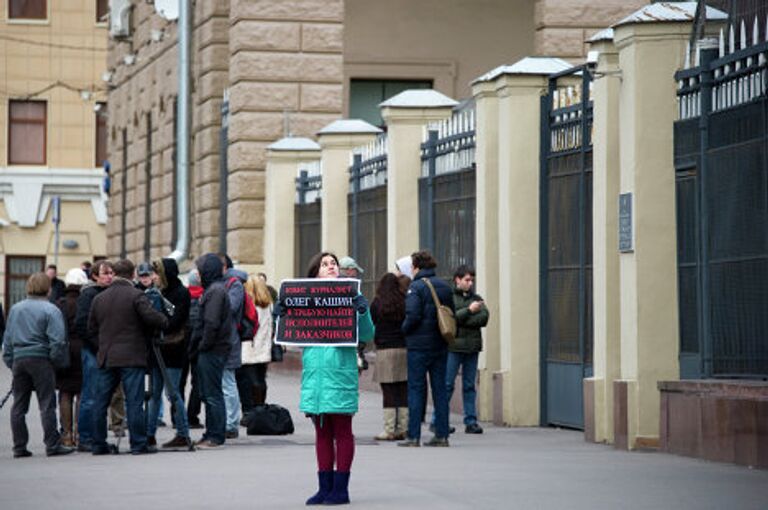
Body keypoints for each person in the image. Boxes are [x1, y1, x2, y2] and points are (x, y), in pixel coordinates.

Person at [297, 252, 374, 506]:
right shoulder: (305, 299)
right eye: (325, 264)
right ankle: (324, 488)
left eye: (334, 264)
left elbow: (367, 333)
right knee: (321, 433)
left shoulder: (350, 297)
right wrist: (282, 314)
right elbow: (291, 332)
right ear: (315, 272)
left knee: (342, 430)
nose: (331, 267)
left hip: (339, 372)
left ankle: (341, 489)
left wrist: (362, 312)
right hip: (315, 376)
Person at [88, 259, 169, 455]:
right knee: (134, 402)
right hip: (132, 356)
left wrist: (103, 346)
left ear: (114, 274)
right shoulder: (136, 296)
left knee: (100, 402)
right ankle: (138, 444)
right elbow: (154, 319)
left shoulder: (99, 299)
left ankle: (98, 444)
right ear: (133, 274)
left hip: (107, 356)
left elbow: (91, 329)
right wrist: (163, 319)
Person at [2, 272, 73, 458]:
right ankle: (52, 444)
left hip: (19, 359)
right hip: (41, 359)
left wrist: (11, 361)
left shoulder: (16, 309)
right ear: (48, 289)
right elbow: (58, 341)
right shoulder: (51, 310)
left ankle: (19, 447)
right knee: (46, 403)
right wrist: (55, 362)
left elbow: (7, 340)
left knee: (19, 405)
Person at [398, 250, 454, 447]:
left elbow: (412, 315)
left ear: (417, 267)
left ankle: (413, 436)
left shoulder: (416, 287)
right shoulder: (445, 286)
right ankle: (442, 434)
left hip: (418, 347)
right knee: (439, 389)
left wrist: (403, 330)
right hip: (440, 345)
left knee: (416, 390)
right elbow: (451, 313)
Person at [431, 265, 489, 434]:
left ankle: (471, 421)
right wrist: (469, 311)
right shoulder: (450, 298)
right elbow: (450, 318)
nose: (470, 283)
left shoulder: (477, 298)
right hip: (453, 347)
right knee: (447, 385)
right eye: (467, 280)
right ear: (457, 279)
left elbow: (484, 318)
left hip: (472, 347)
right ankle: (438, 420)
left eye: (472, 280)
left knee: (469, 386)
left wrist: (465, 318)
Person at [147, 258, 192, 449]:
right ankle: (149, 434)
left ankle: (183, 433)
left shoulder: (181, 293)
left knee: (173, 393)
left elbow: (174, 321)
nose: (153, 277)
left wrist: (155, 317)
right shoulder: (160, 292)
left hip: (173, 349)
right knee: (154, 394)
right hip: (158, 348)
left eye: (156, 273)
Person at [190, 253, 233, 448]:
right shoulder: (213, 289)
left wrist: (202, 346)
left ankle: (215, 435)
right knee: (209, 393)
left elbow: (211, 322)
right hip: (212, 348)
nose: (197, 275)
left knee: (213, 394)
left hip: (213, 350)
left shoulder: (215, 291)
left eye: (200, 271)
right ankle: (210, 433)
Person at [74, 259, 114, 451]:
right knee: (90, 395)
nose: (109, 276)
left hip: (108, 350)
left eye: (111, 273)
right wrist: (98, 347)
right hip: (93, 351)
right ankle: (86, 437)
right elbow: (81, 325)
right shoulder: (88, 294)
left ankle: (98, 436)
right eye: (105, 273)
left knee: (102, 396)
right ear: (95, 276)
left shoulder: (111, 293)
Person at [370, 273, 409, 441]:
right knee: (402, 389)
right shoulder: (404, 301)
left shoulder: (377, 303)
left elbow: (371, 324)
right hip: (403, 349)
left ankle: (389, 429)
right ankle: (403, 428)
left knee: (388, 391)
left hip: (384, 350)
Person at [55, 268, 90, 447]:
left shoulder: (60, 303)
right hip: (83, 349)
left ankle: (67, 435)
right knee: (82, 392)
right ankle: (80, 431)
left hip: (64, 350)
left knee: (65, 392)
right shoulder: (86, 301)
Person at [237, 276, 273, 421]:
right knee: (260, 379)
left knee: (248, 381)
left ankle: (250, 411)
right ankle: (260, 407)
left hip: (250, 347)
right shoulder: (268, 305)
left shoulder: (250, 306)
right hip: (264, 347)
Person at [221, 254, 246, 439]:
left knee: (228, 383)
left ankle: (231, 423)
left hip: (229, 340)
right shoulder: (221, 283)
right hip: (221, 340)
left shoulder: (234, 284)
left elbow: (231, 307)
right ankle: (225, 421)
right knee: (222, 384)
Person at [338, 256, 368, 372]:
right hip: (351, 342)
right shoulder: (355, 291)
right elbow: (367, 329)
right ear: (350, 270)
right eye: (355, 271)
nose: (356, 274)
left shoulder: (329, 288)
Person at [186, 269, 204, 429]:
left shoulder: (182, 296)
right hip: (198, 346)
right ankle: (192, 415)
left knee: (178, 383)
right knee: (197, 383)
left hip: (181, 345)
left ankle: (176, 415)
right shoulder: (205, 297)